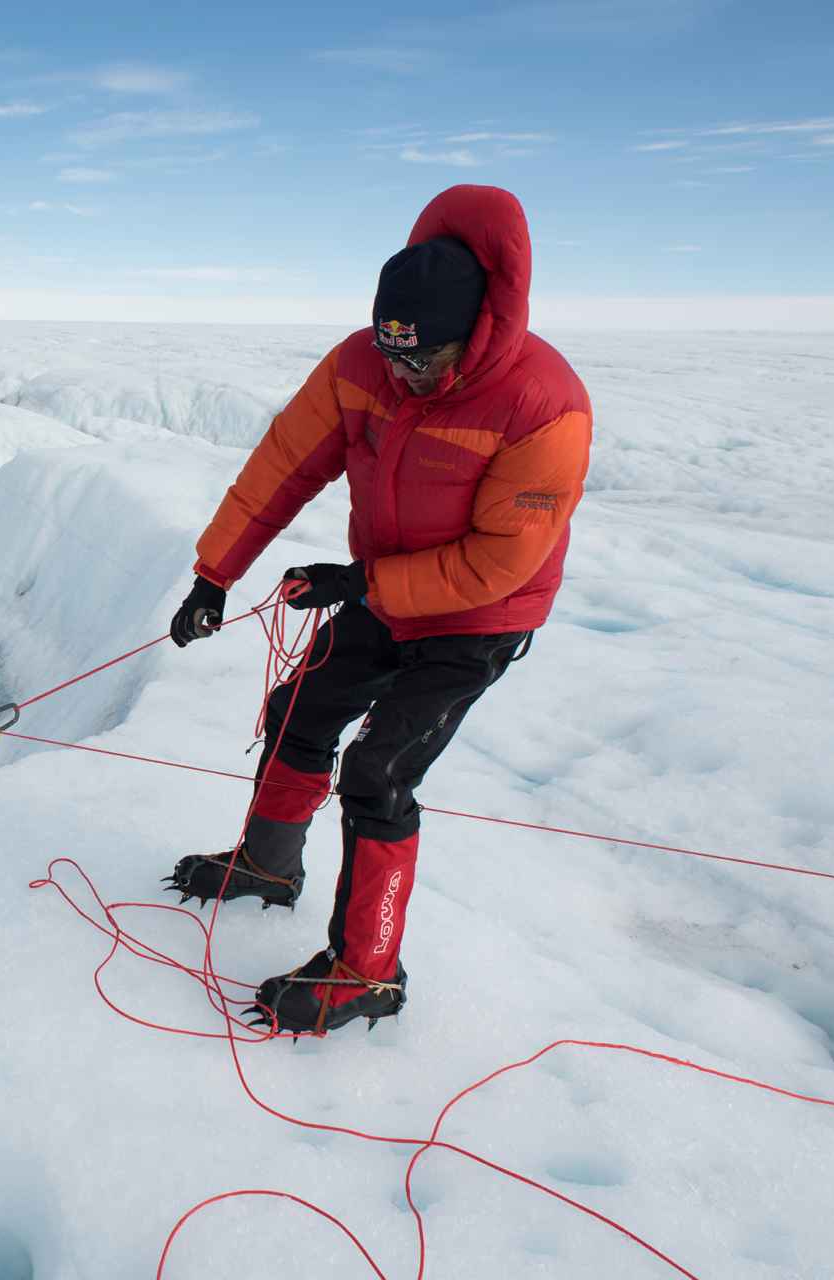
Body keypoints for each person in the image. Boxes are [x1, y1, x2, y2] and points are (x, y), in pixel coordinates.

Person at [163, 184, 593, 1035]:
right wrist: (216, 573)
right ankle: (267, 868)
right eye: (391, 354)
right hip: (388, 590)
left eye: (421, 361)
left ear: (474, 332)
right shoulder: (359, 363)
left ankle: (370, 972)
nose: (401, 374)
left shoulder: (545, 404)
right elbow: (283, 465)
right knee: (297, 713)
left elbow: (500, 562)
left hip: (481, 619)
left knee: (379, 773)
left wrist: (360, 585)